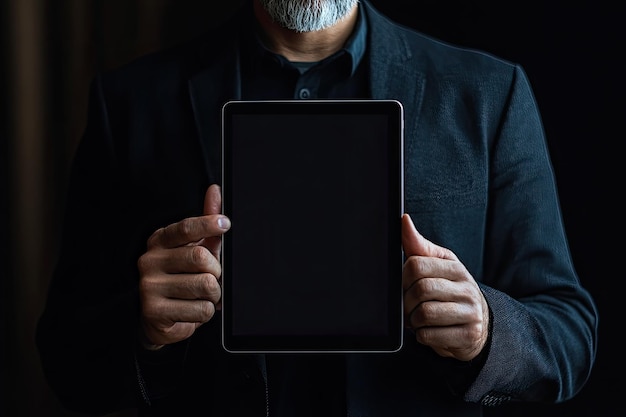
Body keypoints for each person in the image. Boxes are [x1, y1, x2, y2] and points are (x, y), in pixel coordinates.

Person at [36, 0, 598, 416]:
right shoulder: (131, 104)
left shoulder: (488, 94)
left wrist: (487, 331)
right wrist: (145, 329)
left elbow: (569, 331)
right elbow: (64, 352)